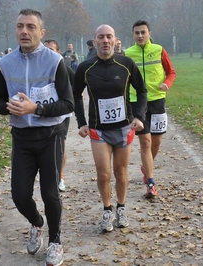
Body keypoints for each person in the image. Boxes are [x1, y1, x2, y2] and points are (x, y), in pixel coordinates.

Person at [0, 9, 74, 266]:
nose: (24, 31)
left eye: (30, 27)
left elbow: (68, 103)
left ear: (42, 32)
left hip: (51, 135)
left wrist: (36, 109)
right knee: (19, 195)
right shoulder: (5, 63)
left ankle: (55, 242)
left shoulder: (54, 60)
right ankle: (37, 222)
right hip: (22, 138)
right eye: (19, 26)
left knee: (50, 194)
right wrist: (8, 107)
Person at [73, 24, 147, 233]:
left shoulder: (126, 64)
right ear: (95, 41)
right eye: (101, 37)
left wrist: (139, 117)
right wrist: (81, 122)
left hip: (124, 127)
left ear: (115, 40)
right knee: (104, 174)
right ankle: (107, 209)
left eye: (109, 37)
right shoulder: (85, 68)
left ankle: (121, 208)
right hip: (99, 129)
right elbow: (76, 94)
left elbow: (141, 91)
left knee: (120, 172)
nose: (105, 41)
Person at [125, 20, 176, 198]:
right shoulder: (128, 54)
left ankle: (146, 166)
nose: (140, 36)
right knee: (145, 142)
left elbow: (171, 72)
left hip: (157, 101)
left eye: (143, 32)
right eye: (137, 33)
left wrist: (167, 83)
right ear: (133, 35)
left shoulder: (159, 50)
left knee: (156, 142)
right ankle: (151, 182)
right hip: (137, 102)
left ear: (149, 33)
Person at [43, 38, 75, 192]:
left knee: (60, 144)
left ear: (58, 52)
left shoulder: (64, 68)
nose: (47, 52)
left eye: (51, 49)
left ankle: (60, 177)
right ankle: (48, 175)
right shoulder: (39, 68)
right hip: (44, 111)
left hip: (62, 113)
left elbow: (76, 85)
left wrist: (70, 100)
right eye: (45, 49)